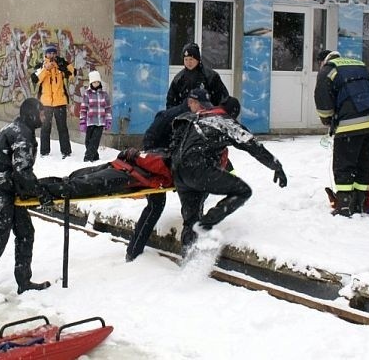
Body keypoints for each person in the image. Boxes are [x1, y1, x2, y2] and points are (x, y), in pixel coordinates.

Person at [125, 96, 242, 262]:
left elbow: (216, 152)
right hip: (158, 166)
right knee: (157, 206)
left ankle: (188, 253)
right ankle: (134, 254)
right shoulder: (172, 117)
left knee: (192, 212)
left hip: (183, 170)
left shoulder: (204, 121)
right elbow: (152, 142)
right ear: (191, 103)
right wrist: (151, 162)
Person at [170, 88, 287, 252]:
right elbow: (251, 144)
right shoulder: (224, 120)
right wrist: (276, 166)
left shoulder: (198, 118)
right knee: (243, 191)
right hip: (198, 169)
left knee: (190, 222)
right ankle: (207, 223)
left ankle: (187, 258)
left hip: (179, 173)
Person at [0, 98, 53, 298]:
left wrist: (30, 191)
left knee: (25, 232)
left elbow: (19, 173)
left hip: (8, 189)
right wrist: (41, 194)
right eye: (41, 113)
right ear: (32, 114)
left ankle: (24, 281)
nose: (44, 117)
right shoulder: (21, 134)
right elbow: (22, 171)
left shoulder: (21, 130)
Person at [314, 50, 369, 217]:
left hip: (350, 125)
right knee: (364, 165)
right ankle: (359, 203)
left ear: (322, 61)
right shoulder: (358, 65)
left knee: (344, 165)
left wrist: (327, 120)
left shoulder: (328, 69)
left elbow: (322, 100)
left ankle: (344, 206)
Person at [40, 148, 173, 200]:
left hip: (124, 172)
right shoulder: (170, 159)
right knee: (78, 182)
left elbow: (148, 161)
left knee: (79, 183)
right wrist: (132, 154)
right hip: (123, 171)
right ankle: (36, 187)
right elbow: (145, 158)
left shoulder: (171, 162)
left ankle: (38, 188)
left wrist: (132, 155)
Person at [31, 44, 75, 158]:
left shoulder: (61, 62)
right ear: (45, 54)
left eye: (54, 53)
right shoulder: (41, 66)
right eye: (49, 53)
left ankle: (66, 152)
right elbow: (35, 79)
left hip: (60, 102)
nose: (52, 55)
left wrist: (62, 66)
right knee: (45, 128)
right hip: (45, 104)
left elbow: (72, 73)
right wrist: (46, 69)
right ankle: (44, 152)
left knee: (62, 128)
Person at [166, 42, 229, 109]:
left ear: (198, 59)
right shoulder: (178, 79)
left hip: (208, 116)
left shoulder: (210, 76)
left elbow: (222, 99)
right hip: (184, 117)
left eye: (191, 59)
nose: (188, 62)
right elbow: (171, 102)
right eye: (186, 59)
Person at [79, 70, 112, 162]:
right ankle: (95, 157)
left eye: (97, 82)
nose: (96, 84)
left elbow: (108, 109)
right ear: (91, 83)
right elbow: (83, 109)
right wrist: (82, 122)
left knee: (94, 141)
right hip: (90, 121)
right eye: (94, 82)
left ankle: (88, 158)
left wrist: (108, 121)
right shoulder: (87, 94)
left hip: (100, 122)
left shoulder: (104, 94)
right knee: (88, 142)